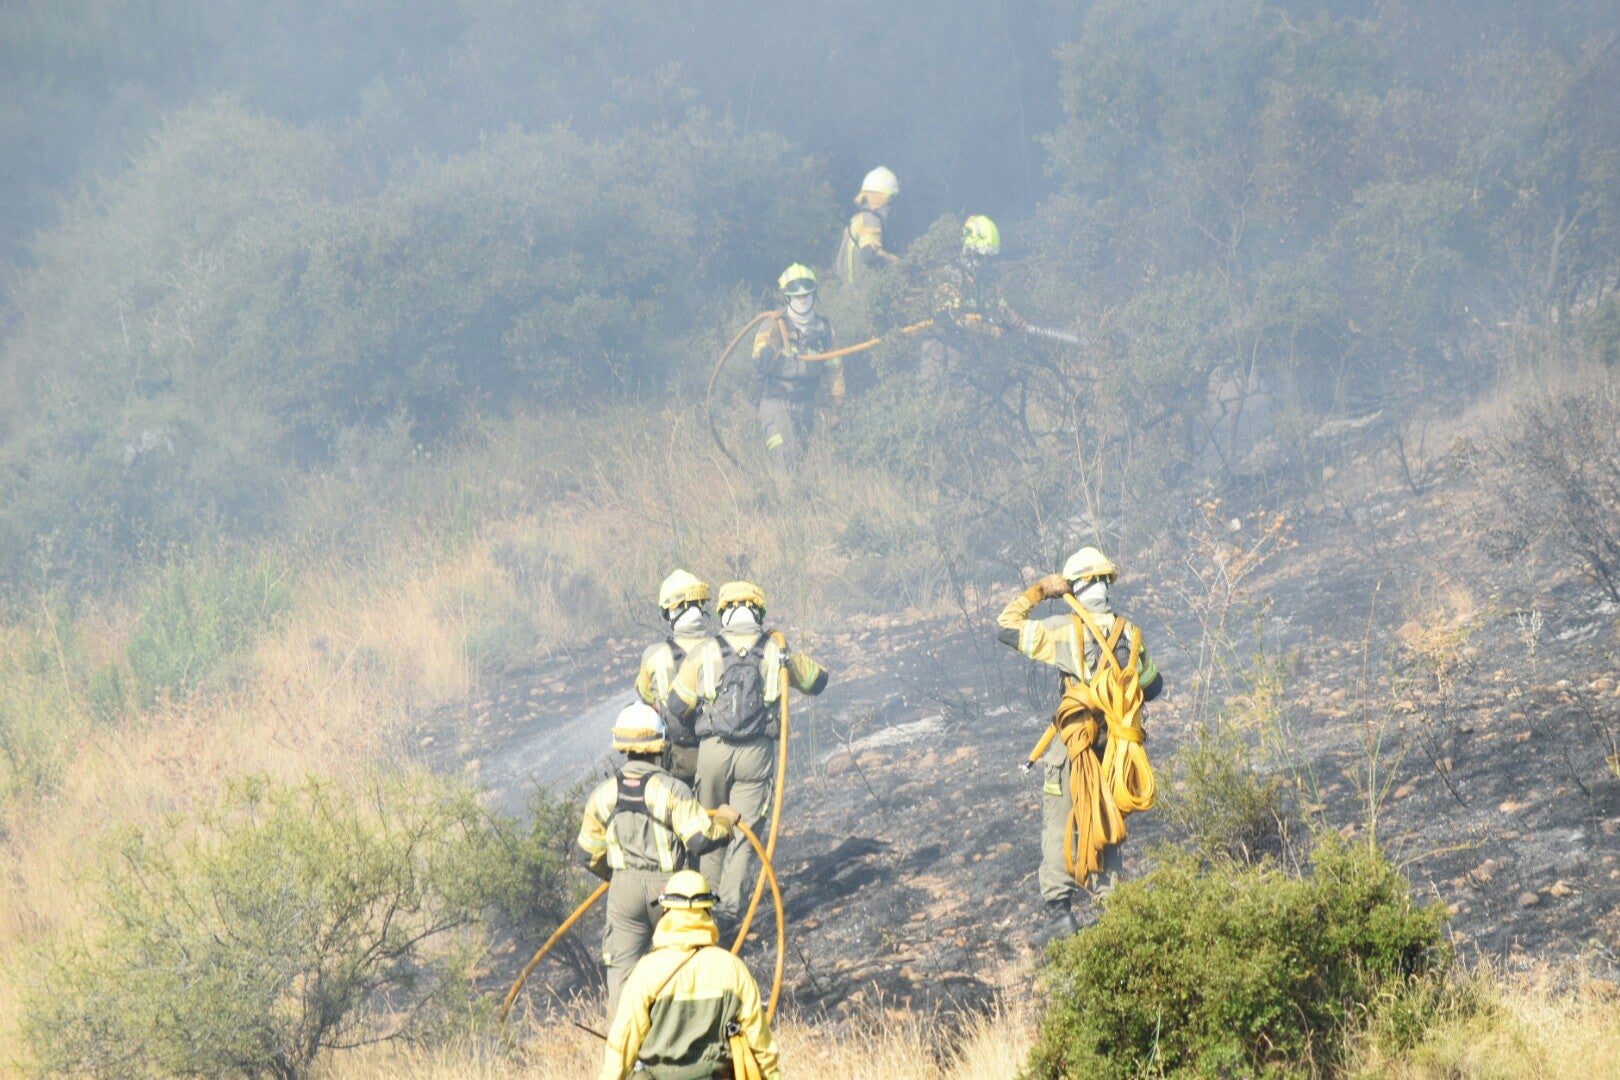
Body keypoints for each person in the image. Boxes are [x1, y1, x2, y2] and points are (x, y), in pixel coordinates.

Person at [995, 546, 1162, 943]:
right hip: (1116, 748)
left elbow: (1005, 626)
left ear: (1077, 587)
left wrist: (1039, 591)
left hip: (1073, 744)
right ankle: (1113, 908)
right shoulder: (1131, 633)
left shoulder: (1063, 630)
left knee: (1059, 822)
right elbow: (1153, 686)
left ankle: (1060, 914)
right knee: (1108, 818)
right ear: (1105, 583)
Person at [666, 581, 828, 931]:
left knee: (711, 826)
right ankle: (728, 912)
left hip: (712, 754)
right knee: (743, 834)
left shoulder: (706, 651)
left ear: (723, 611)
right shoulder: (776, 650)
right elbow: (818, 681)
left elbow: (677, 705)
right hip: (756, 754)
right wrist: (788, 659)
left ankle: (703, 911)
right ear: (759, 611)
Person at [575, 702, 743, 1017]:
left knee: (623, 973)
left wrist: (618, 879)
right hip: (671, 892)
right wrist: (725, 822)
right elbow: (700, 840)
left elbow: (588, 853)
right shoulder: (672, 790)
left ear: (621, 745)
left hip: (623, 892)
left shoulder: (603, 794)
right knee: (681, 969)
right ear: (660, 742)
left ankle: (625, 1045)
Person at [597, 870, 781, 1080]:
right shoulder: (732, 969)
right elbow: (760, 1045)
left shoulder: (647, 971)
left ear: (666, 910)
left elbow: (622, 1044)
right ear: (708, 910)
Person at [752, 264, 843, 469]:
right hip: (775, 402)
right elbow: (759, 364)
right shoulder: (772, 325)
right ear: (787, 297)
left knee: (798, 461)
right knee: (786, 456)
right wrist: (773, 343)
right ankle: (784, 499)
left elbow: (835, 371)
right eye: (796, 296)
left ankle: (793, 499)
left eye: (807, 295)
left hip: (805, 405)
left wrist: (836, 408)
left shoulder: (825, 329)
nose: (802, 299)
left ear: (814, 295)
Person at [920, 214, 1028, 381]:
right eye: (980, 256)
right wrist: (992, 330)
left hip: (968, 351)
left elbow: (998, 305)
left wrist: (1016, 320)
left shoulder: (985, 278)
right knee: (932, 394)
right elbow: (953, 318)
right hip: (940, 347)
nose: (985, 263)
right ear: (968, 251)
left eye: (989, 258)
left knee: (967, 396)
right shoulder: (951, 276)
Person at [636, 569, 714, 786]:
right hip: (715, 755)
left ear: (668, 613)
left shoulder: (654, 655)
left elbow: (645, 696)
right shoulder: (719, 651)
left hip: (672, 761)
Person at [833, 166, 900, 285]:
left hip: (848, 295)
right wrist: (900, 264)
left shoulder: (856, 220)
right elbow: (870, 254)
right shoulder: (871, 220)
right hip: (865, 294)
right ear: (888, 200)